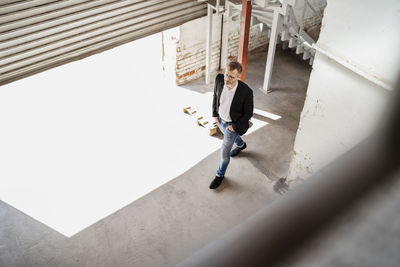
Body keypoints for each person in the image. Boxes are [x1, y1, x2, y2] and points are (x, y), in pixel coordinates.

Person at [209, 61, 254, 189]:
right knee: (230, 140)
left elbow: (248, 113)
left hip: (232, 125)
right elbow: (215, 96)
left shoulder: (246, 92)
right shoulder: (219, 79)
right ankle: (241, 144)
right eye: (226, 75)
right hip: (220, 121)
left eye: (231, 77)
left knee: (224, 153)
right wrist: (214, 113)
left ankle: (220, 175)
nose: (227, 79)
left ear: (239, 76)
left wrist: (234, 127)